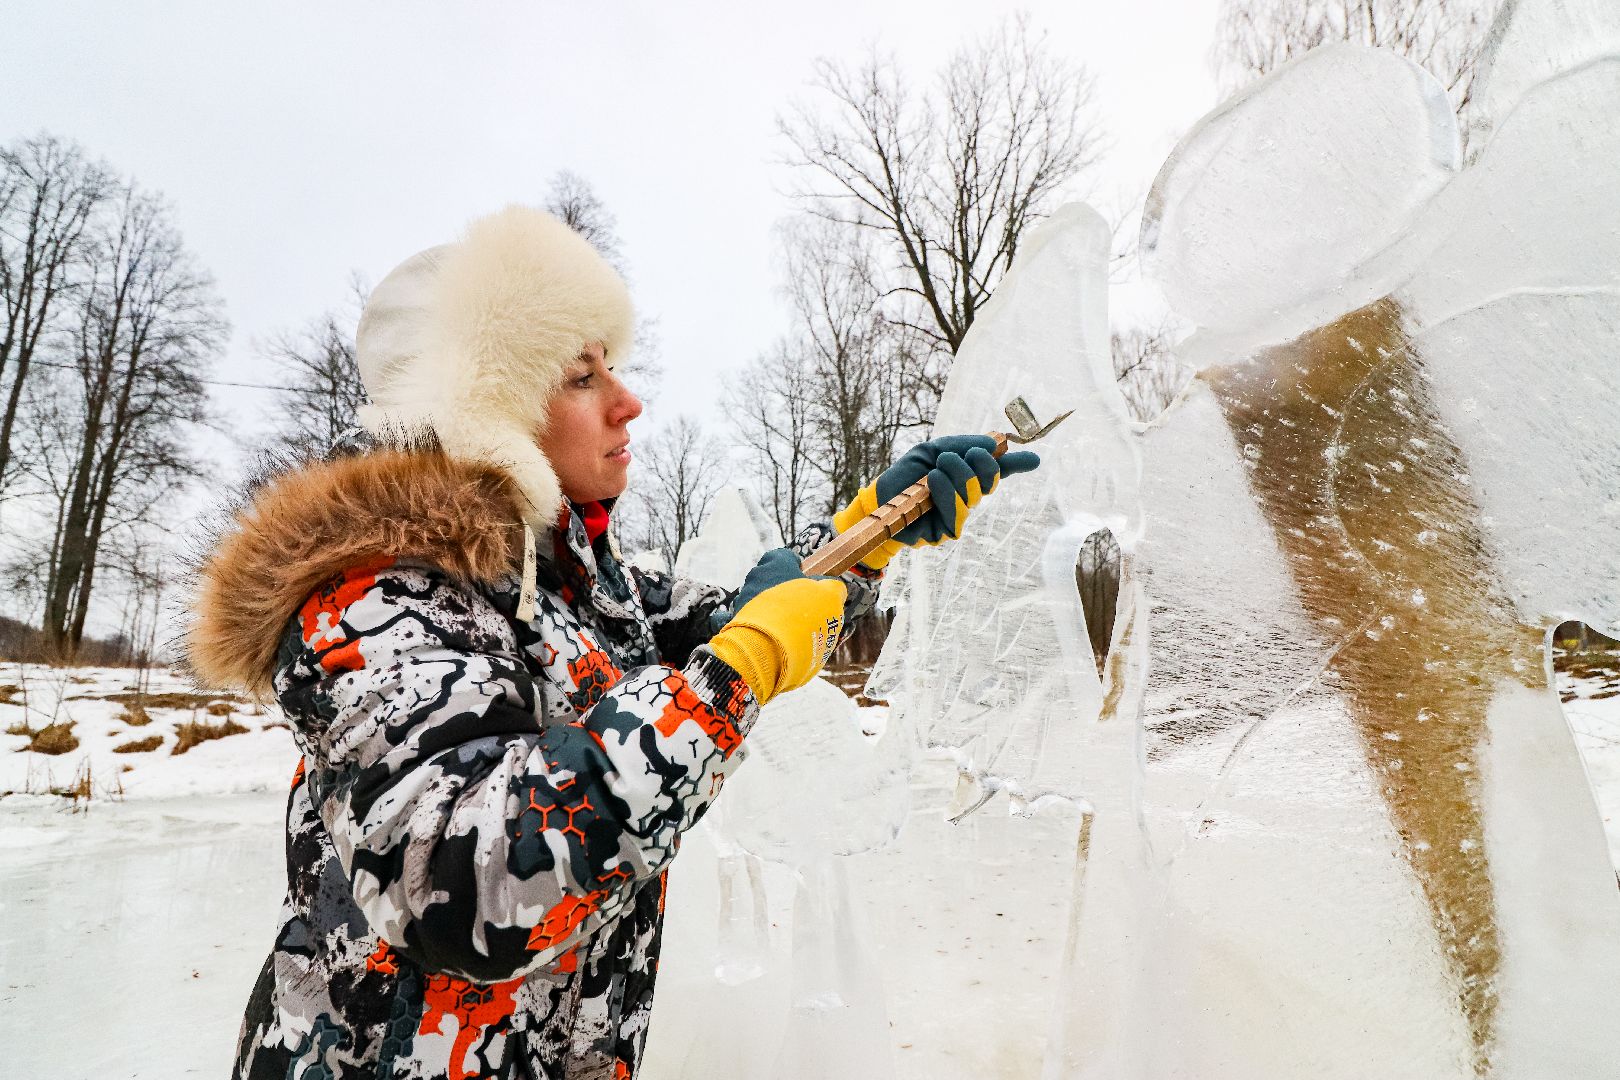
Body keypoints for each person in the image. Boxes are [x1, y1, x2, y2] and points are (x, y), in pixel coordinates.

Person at [187, 205, 1038, 1080]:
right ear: (489, 403)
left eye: (613, 366)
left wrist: (869, 536)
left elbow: (730, 616)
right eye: (581, 374)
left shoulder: (574, 586)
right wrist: (729, 681)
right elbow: (463, 884)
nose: (628, 400)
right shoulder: (373, 598)